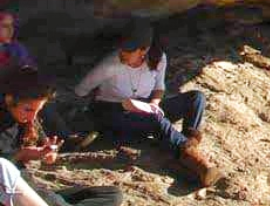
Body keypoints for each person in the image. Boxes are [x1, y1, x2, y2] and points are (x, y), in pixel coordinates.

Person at [74, 23, 219, 187]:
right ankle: (197, 162)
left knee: (196, 98)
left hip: (143, 107)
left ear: (144, 50)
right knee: (155, 120)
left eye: (129, 51)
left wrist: (154, 103)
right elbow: (81, 90)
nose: (123, 54)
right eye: (122, 49)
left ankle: (187, 151)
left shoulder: (158, 59)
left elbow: (159, 88)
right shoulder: (110, 64)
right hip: (113, 113)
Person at [0, 68, 123, 206]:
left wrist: (45, 152)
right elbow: (3, 169)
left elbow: (40, 145)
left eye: (38, 110)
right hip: (15, 188)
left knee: (112, 194)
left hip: (33, 186)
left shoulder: (28, 119)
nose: (32, 116)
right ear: (9, 99)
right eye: (28, 110)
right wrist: (22, 154)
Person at [0, 13, 94, 152]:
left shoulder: (16, 49)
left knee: (39, 103)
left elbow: (32, 80)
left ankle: (60, 140)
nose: (10, 30)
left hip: (17, 94)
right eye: (4, 26)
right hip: (7, 98)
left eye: (11, 25)